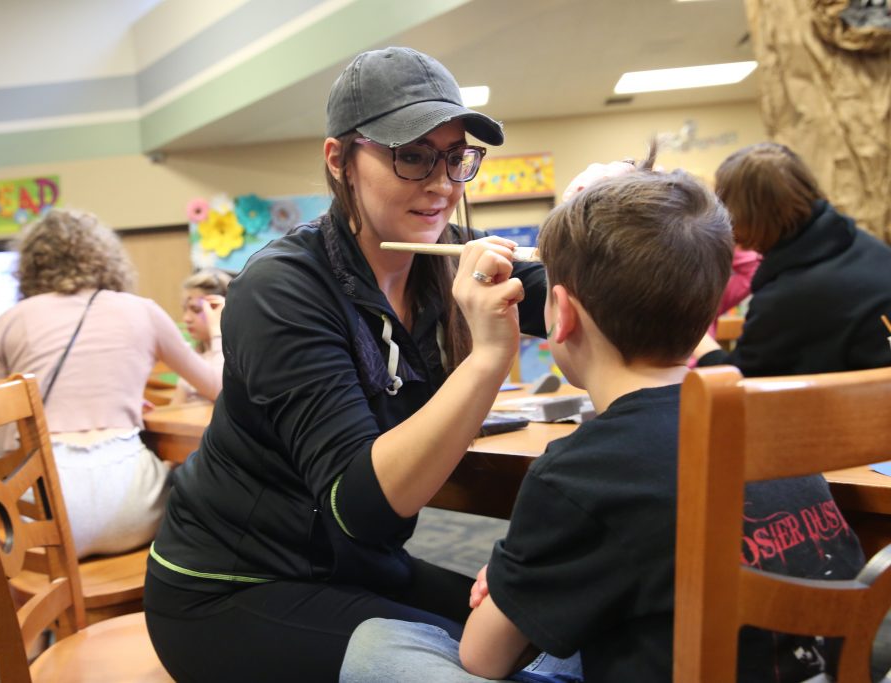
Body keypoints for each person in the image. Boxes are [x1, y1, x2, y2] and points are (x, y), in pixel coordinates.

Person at [340, 168, 866, 682]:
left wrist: (505, 586)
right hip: (809, 664)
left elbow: (483, 658)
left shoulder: (577, 474)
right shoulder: (772, 428)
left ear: (559, 312)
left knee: (376, 647)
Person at [143, 46, 548, 682]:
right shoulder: (282, 290)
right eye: (412, 155)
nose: (441, 183)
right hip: (231, 587)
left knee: (538, 643)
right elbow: (362, 510)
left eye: (454, 157)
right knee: (488, 670)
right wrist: (490, 356)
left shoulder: (448, 256)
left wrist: (601, 216)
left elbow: (599, 308)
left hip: (356, 570)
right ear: (340, 161)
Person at [0, 209, 220, 558]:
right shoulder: (142, 310)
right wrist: (216, 334)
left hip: (43, 514)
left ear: (30, 265)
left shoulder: (6, 322)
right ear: (106, 259)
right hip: (132, 506)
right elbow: (219, 388)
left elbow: (5, 446)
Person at [693, 142, 891, 374]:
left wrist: (696, 338)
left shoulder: (786, 298)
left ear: (741, 215)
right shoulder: (867, 246)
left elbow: (738, 387)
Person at [171, 268, 231, 405]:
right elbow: (176, 406)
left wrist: (216, 331)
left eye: (196, 310)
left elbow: (222, 394)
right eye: (185, 309)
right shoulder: (196, 357)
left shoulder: (237, 358)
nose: (186, 318)